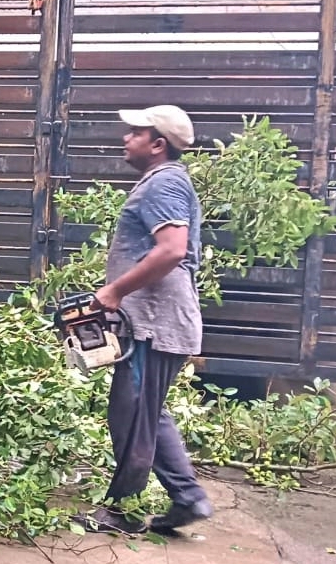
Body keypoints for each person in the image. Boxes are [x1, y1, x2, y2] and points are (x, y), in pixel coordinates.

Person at [79, 105, 215, 535]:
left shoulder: (165, 183)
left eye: (135, 132)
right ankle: (188, 498)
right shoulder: (161, 182)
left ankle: (123, 510)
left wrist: (114, 291)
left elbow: (172, 249)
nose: (126, 138)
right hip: (155, 322)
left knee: (132, 416)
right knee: (146, 414)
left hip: (155, 324)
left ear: (158, 144)